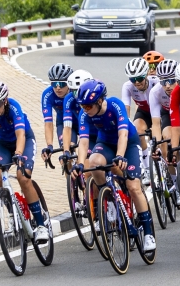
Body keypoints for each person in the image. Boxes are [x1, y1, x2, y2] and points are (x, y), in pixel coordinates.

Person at [73, 79, 156, 251]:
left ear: (99, 101)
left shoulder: (115, 105)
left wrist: (120, 156)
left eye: (88, 106)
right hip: (106, 143)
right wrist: (80, 164)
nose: (85, 110)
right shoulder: (84, 114)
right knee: (94, 162)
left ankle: (148, 234)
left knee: (133, 187)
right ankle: (109, 198)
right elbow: (83, 142)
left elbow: (123, 135)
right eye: (82, 106)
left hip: (129, 143)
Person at [0, 80, 50, 240]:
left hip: (24, 141)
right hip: (2, 144)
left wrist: (19, 153)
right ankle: (13, 215)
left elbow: (20, 133)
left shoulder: (14, 107)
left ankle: (41, 225)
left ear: (5, 100)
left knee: (23, 178)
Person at [40, 64, 76, 165]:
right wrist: (50, 146)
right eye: (54, 83)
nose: (58, 87)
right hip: (63, 123)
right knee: (66, 153)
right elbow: (48, 123)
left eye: (62, 83)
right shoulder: (47, 94)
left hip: (81, 122)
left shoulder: (75, 92)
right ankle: (70, 179)